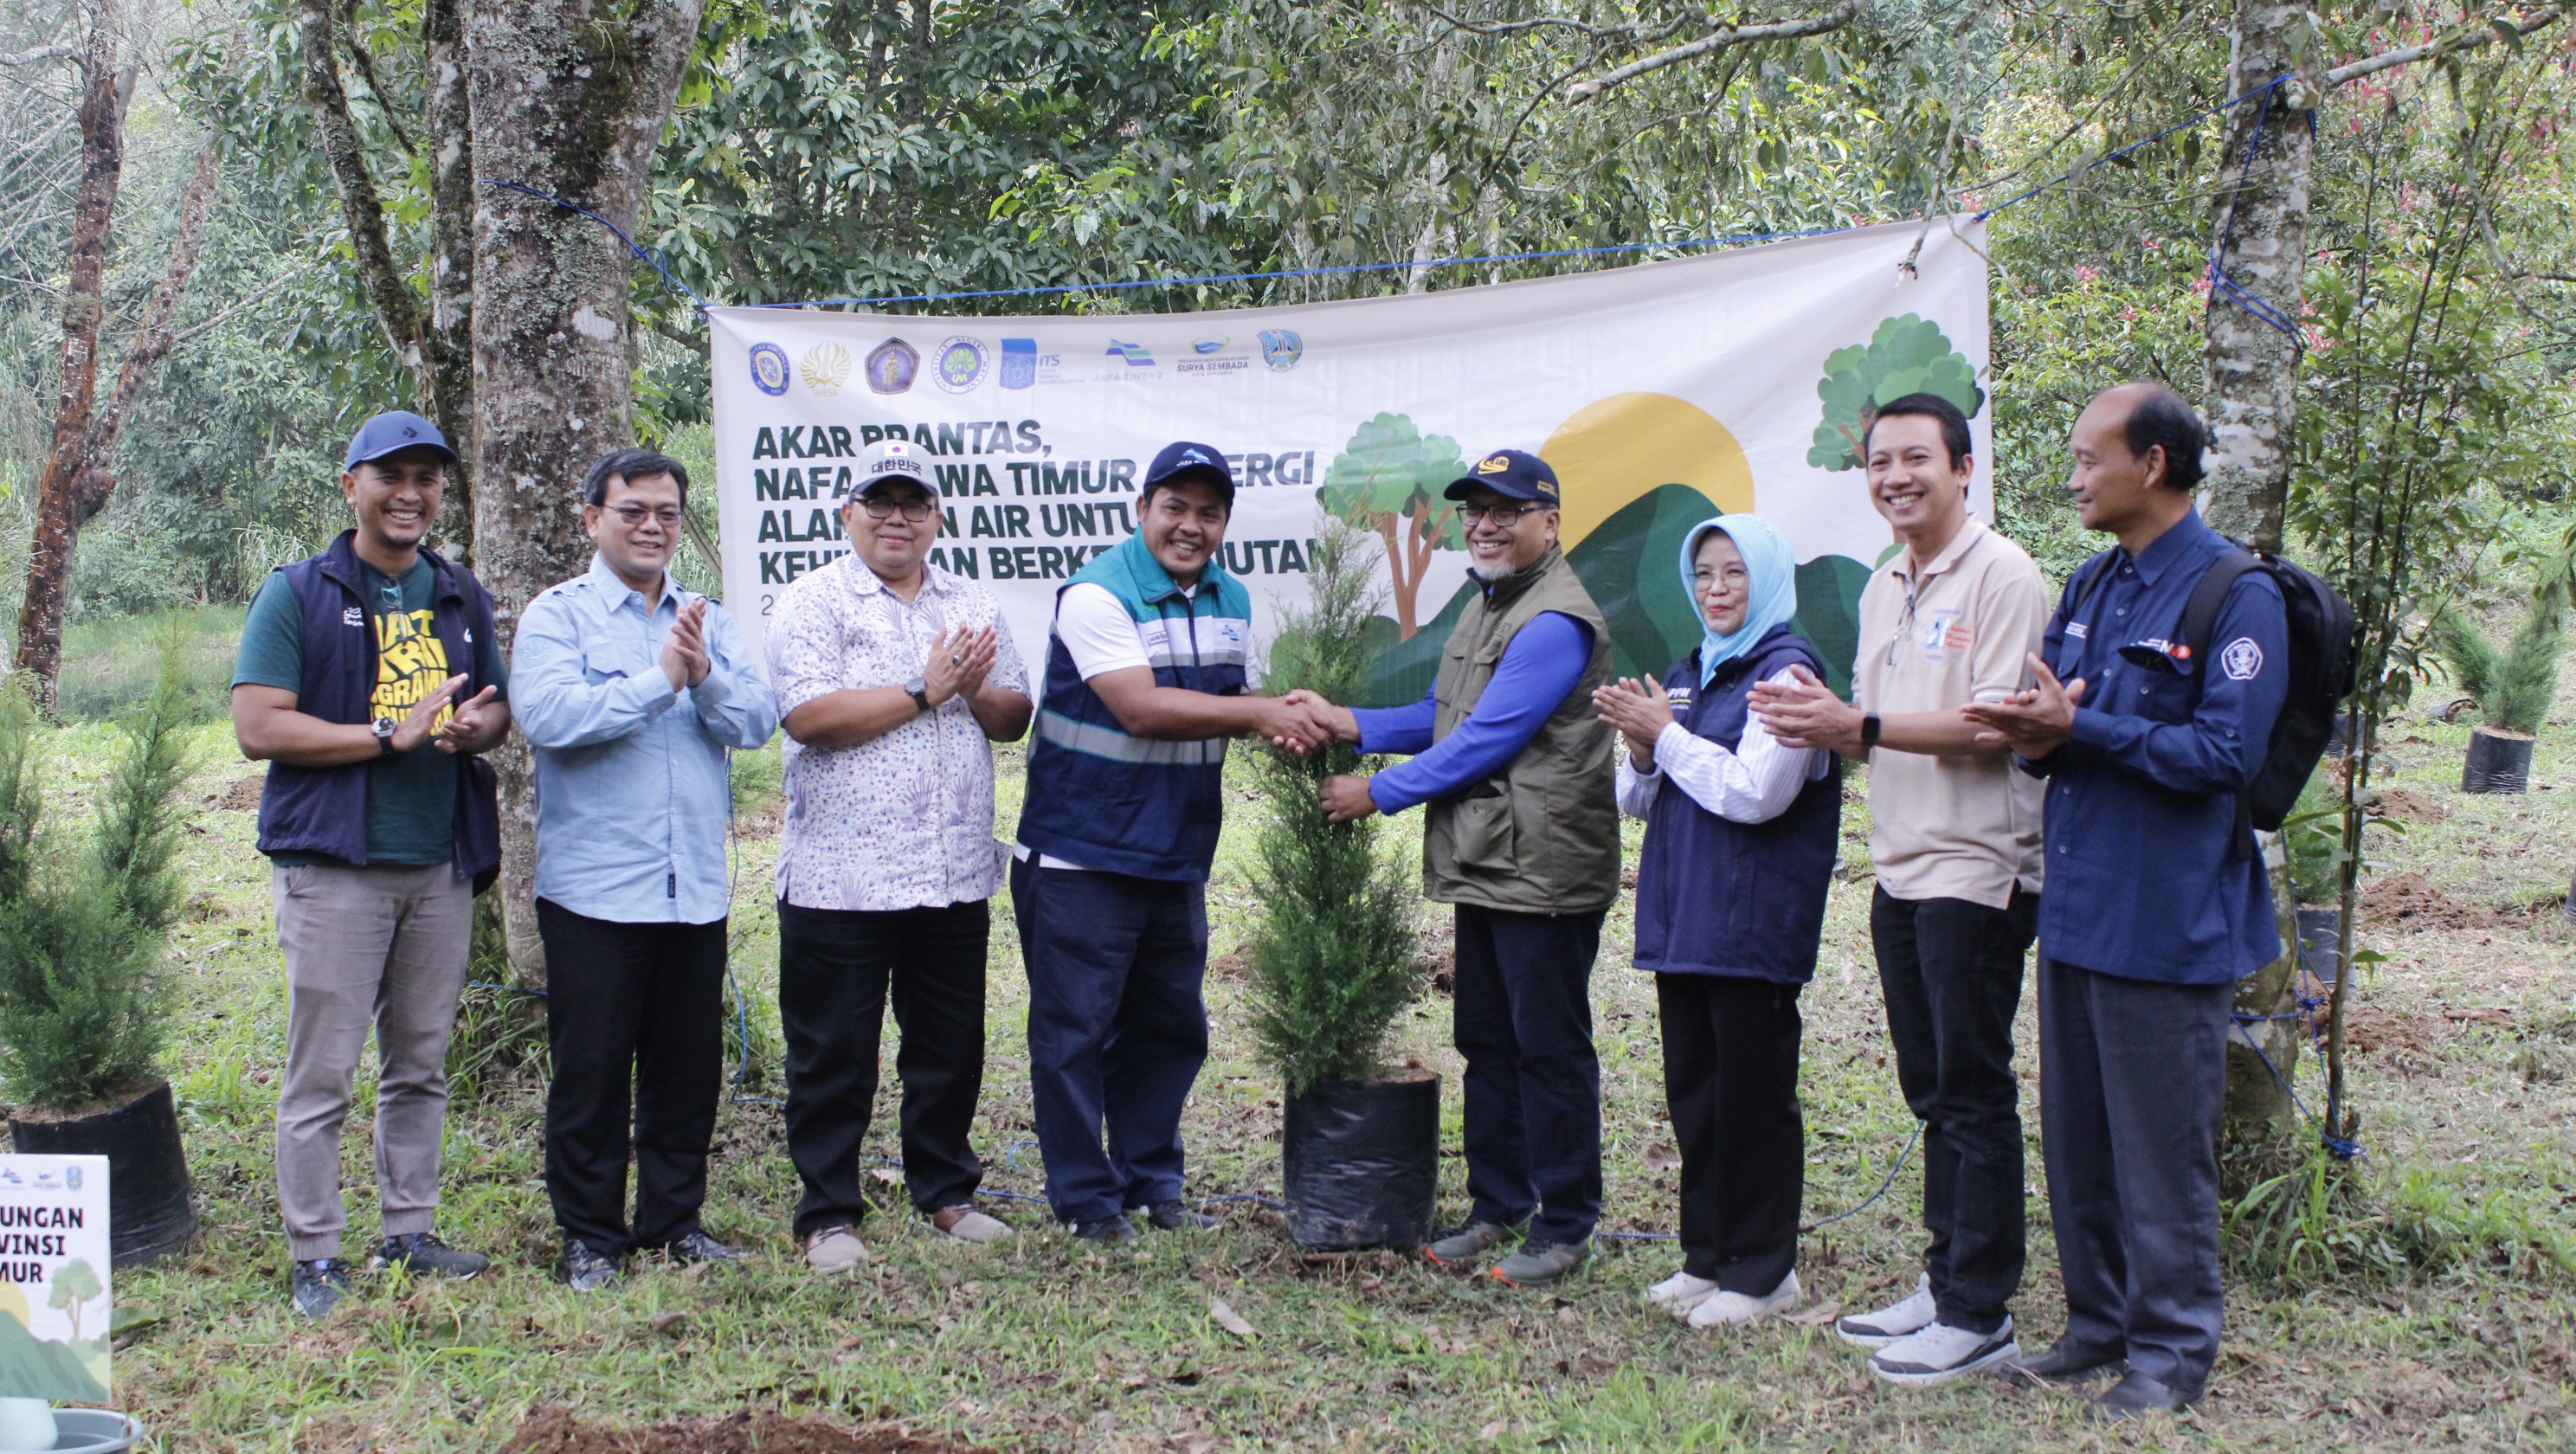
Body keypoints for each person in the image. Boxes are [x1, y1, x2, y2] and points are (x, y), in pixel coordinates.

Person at [1962, 383, 2288, 1423]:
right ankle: (2096, 1325)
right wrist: (2030, 727)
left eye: (2088, 457)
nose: (2074, 476)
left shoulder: (2236, 595)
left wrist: (2079, 732)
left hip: (2171, 919)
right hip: (2082, 908)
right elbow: (2060, 718)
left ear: (2152, 465)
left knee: (2161, 1152)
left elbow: (2226, 754)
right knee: (2083, 1142)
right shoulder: (2094, 584)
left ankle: (2172, 1352)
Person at [1749, 394, 2048, 1382]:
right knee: (1932, 1090)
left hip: (1981, 866)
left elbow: (1996, 725)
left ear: (1963, 469)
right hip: (1902, 867)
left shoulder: (2004, 575)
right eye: (1879, 463)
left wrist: (1856, 730)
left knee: (1971, 1089)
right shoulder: (1885, 586)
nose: (1895, 478)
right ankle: (1945, 1280)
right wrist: (1825, 719)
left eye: (1917, 458)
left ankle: (1981, 1313)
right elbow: (1870, 714)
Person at [1287, 448, 1617, 1289]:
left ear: (1551, 521)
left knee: (1548, 1049)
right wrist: (1348, 721)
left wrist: (1377, 794)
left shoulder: (1553, 621)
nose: (1485, 523)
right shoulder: (1489, 606)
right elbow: (1442, 715)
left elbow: (1486, 741)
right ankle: (1499, 1207)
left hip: (1543, 871)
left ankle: (1567, 1223)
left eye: (1507, 510)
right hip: (1490, 864)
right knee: (1488, 1043)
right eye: (1475, 509)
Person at [229, 409, 512, 1320]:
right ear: (351, 486)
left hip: (438, 864)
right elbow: (258, 726)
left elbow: (498, 711)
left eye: (427, 478)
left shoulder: (459, 591)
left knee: (420, 1063)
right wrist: (390, 735)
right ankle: (315, 1253)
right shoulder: (299, 593)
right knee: (323, 1072)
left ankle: (409, 1231)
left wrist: (474, 729)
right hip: (336, 866)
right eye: (390, 475)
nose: (410, 493)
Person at [1013, 441, 1325, 1243]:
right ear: (1142, 508)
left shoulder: (1229, 597)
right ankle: (1086, 1200)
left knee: (1168, 1029)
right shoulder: (1096, 593)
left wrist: (1285, 709)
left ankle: (1153, 1181)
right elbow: (1142, 709)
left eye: (1208, 512)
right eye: (1175, 507)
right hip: (1085, 852)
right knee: (1075, 1032)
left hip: (1176, 852)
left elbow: (1222, 700)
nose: (1191, 526)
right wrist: (1261, 716)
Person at [512, 447, 779, 1291]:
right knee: (591, 1073)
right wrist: (659, 679)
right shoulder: (557, 617)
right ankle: (590, 1237)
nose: (653, 526)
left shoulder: (710, 619)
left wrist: (699, 679)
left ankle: (674, 1221)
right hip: (595, 891)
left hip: (691, 887)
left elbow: (757, 721)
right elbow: (551, 718)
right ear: (593, 519)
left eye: (667, 512)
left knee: (685, 1069)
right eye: (633, 511)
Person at [764, 440, 1034, 1271]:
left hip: (950, 868)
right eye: (879, 502)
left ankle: (946, 1191)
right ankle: (828, 1212)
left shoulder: (970, 601)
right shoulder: (810, 602)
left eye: (914, 504)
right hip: (840, 877)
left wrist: (971, 685)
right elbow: (809, 717)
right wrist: (925, 689)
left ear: (937, 519)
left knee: (948, 1045)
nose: (896, 518)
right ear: (847, 513)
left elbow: (1013, 714)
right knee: (833, 1052)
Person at [1593, 515, 1839, 1327]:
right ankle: (1708, 1257)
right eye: (1703, 576)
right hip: (1685, 917)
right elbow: (1638, 800)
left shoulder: (1790, 675)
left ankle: (1765, 1273)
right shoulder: (1692, 669)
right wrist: (1638, 747)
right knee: (1696, 1094)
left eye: (1734, 574)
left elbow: (1755, 795)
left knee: (1752, 1101)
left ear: (1764, 579)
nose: (1717, 590)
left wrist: (1663, 736)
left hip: (1752, 926)